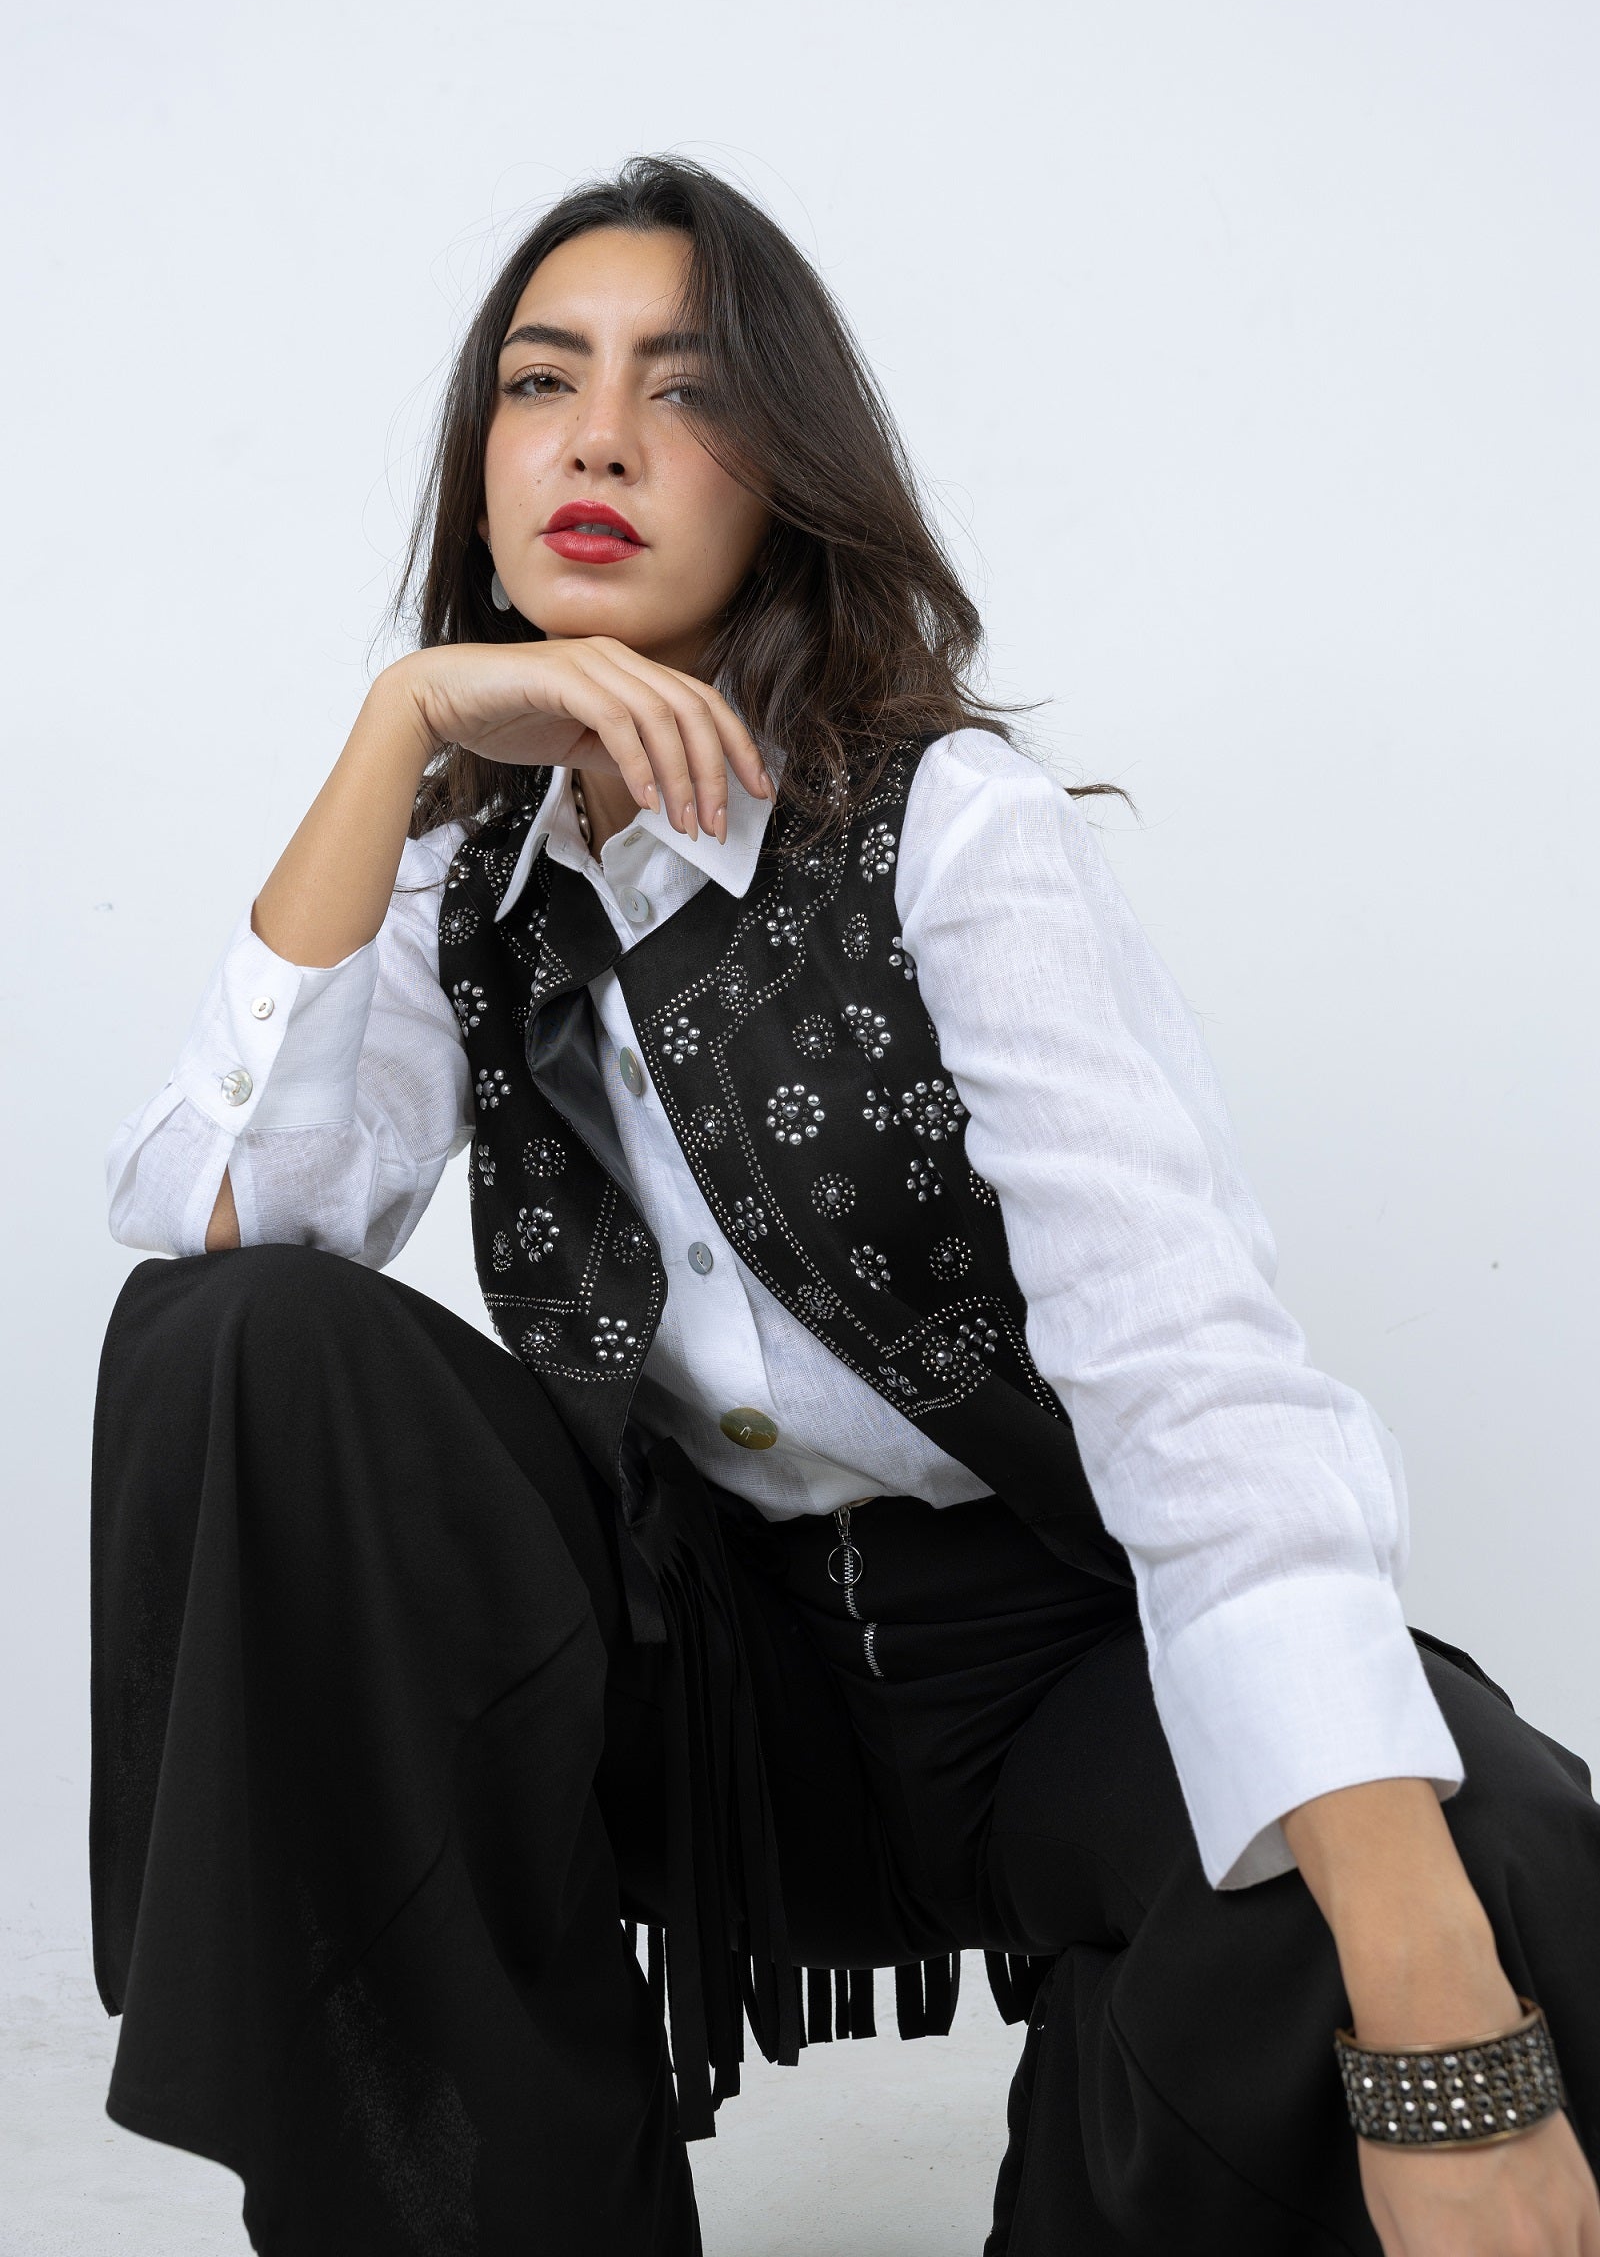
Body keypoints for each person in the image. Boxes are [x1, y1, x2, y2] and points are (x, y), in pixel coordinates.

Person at [94, 153, 1600, 2257]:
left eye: (684, 391)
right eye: (541, 385)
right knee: (232, 1341)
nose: (600, 436)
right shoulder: (454, 876)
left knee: (1483, 1839)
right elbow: (222, 1220)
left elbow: (1191, 1383)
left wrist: (1446, 2039)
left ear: (782, 474)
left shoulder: (948, 831)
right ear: (482, 469)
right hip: (689, 1675)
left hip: (1039, 1651)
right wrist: (394, 731)